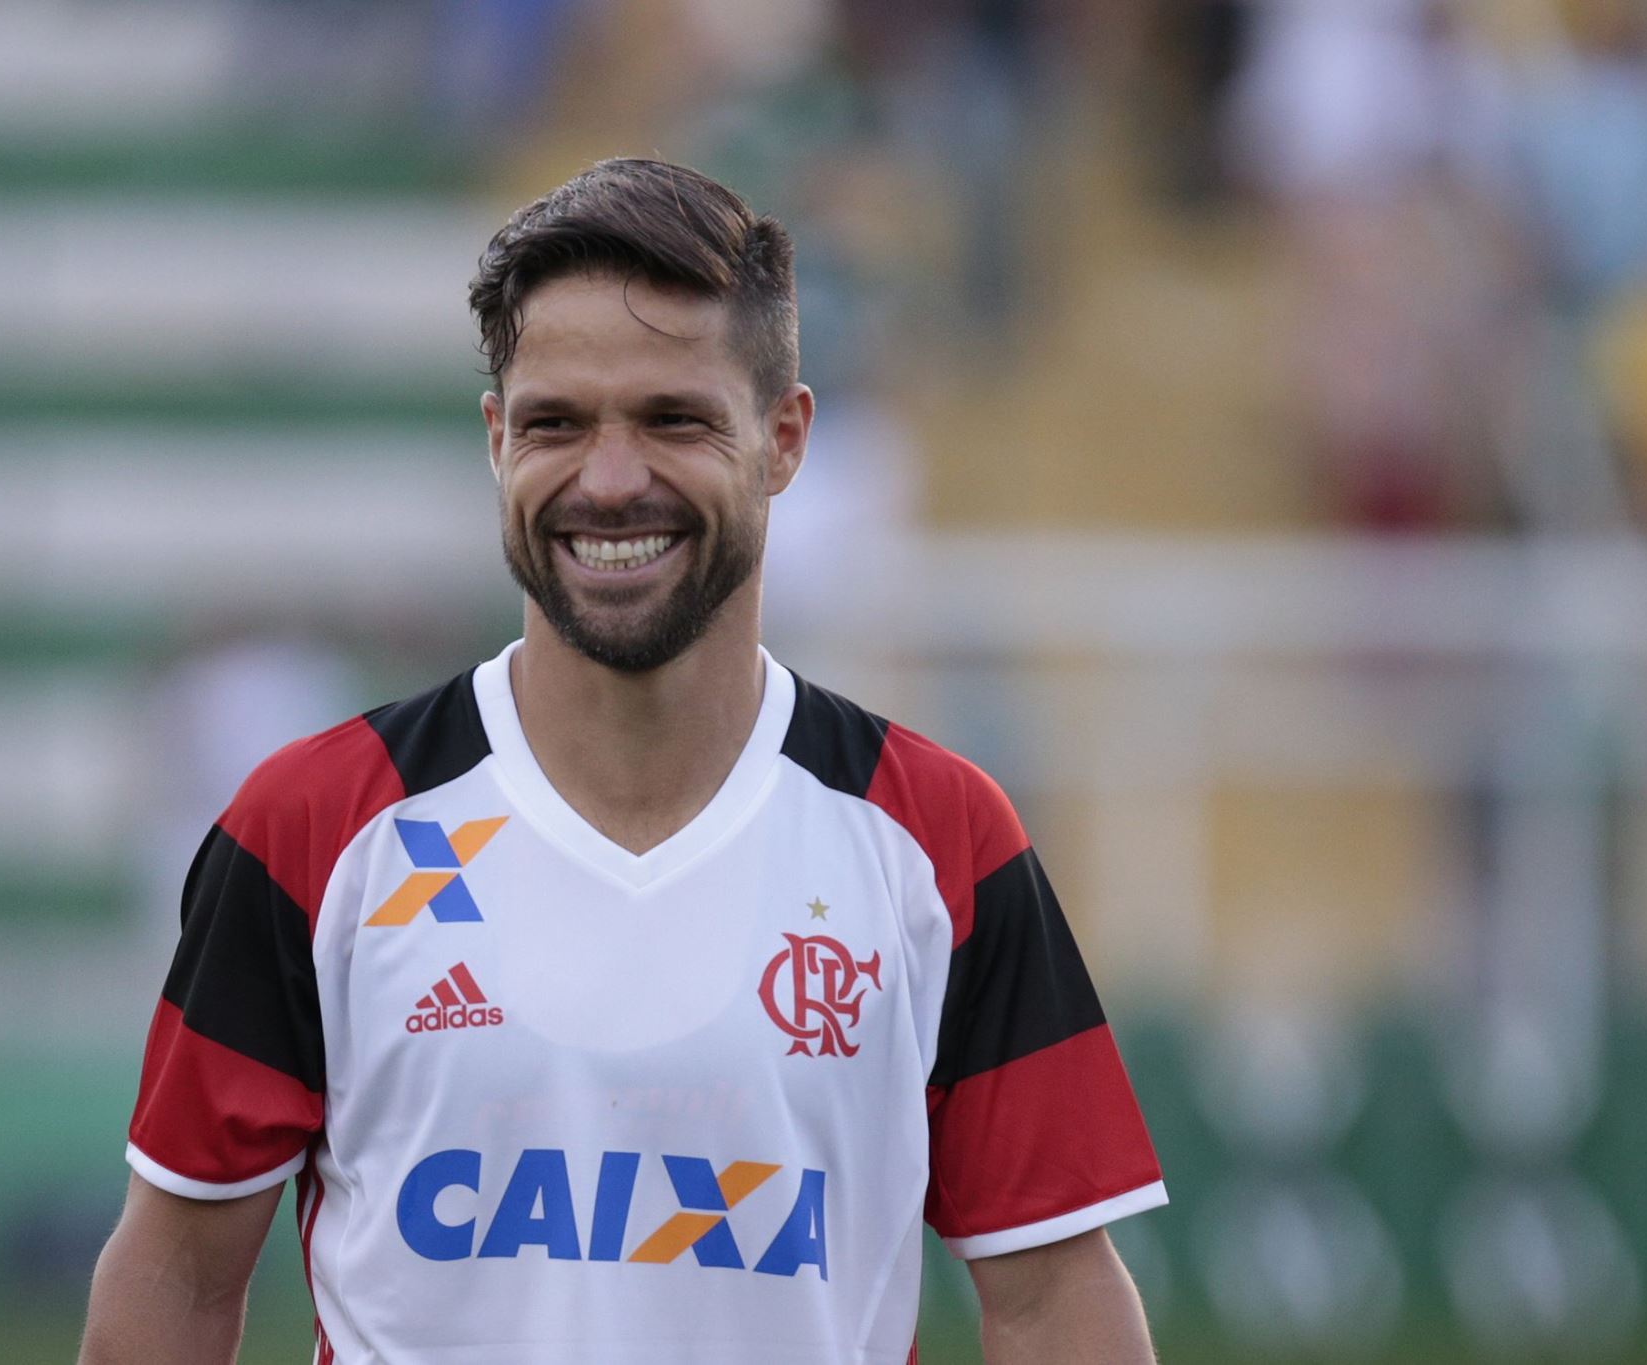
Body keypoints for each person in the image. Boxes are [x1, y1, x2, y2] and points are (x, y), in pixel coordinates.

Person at [80, 158, 1166, 1364]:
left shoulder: (938, 838)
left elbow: (1051, 1296)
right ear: (496, 441)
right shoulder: (313, 826)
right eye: (554, 422)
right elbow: (176, 1277)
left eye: (673, 419)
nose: (607, 480)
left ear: (783, 440)